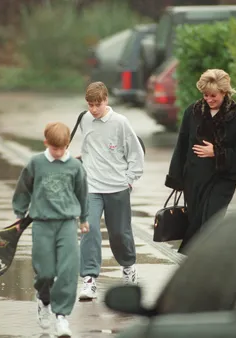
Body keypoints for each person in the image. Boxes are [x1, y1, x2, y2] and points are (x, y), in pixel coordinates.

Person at [11, 122, 89, 337]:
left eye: (62, 148)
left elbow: (82, 192)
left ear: (67, 145)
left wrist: (84, 218)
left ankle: (62, 317)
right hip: (42, 223)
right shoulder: (36, 163)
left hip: (67, 223)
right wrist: (19, 214)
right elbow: (23, 189)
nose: (58, 152)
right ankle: (44, 300)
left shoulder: (74, 166)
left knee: (68, 270)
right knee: (45, 272)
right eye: (54, 148)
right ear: (46, 143)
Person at [165, 69, 236, 254]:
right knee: (196, 220)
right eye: (206, 95)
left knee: (211, 221)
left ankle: (199, 259)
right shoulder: (193, 111)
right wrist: (177, 178)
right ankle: (202, 263)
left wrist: (217, 152)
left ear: (224, 92)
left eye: (213, 95)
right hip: (195, 179)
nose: (209, 99)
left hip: (223, 179)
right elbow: (181, 145)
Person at [77, 81, 144, 301]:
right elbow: (87, 148)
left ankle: (128, 267)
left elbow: (136, 152)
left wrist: (130, 180)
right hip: (92, 186)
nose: (94, 109)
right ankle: (89, 279)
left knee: (119, 233)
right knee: (89, 229)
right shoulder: (84, 119)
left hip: (117, 186)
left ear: (106, 100)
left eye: (97, 104)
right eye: (90, 104)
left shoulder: (120, 122)